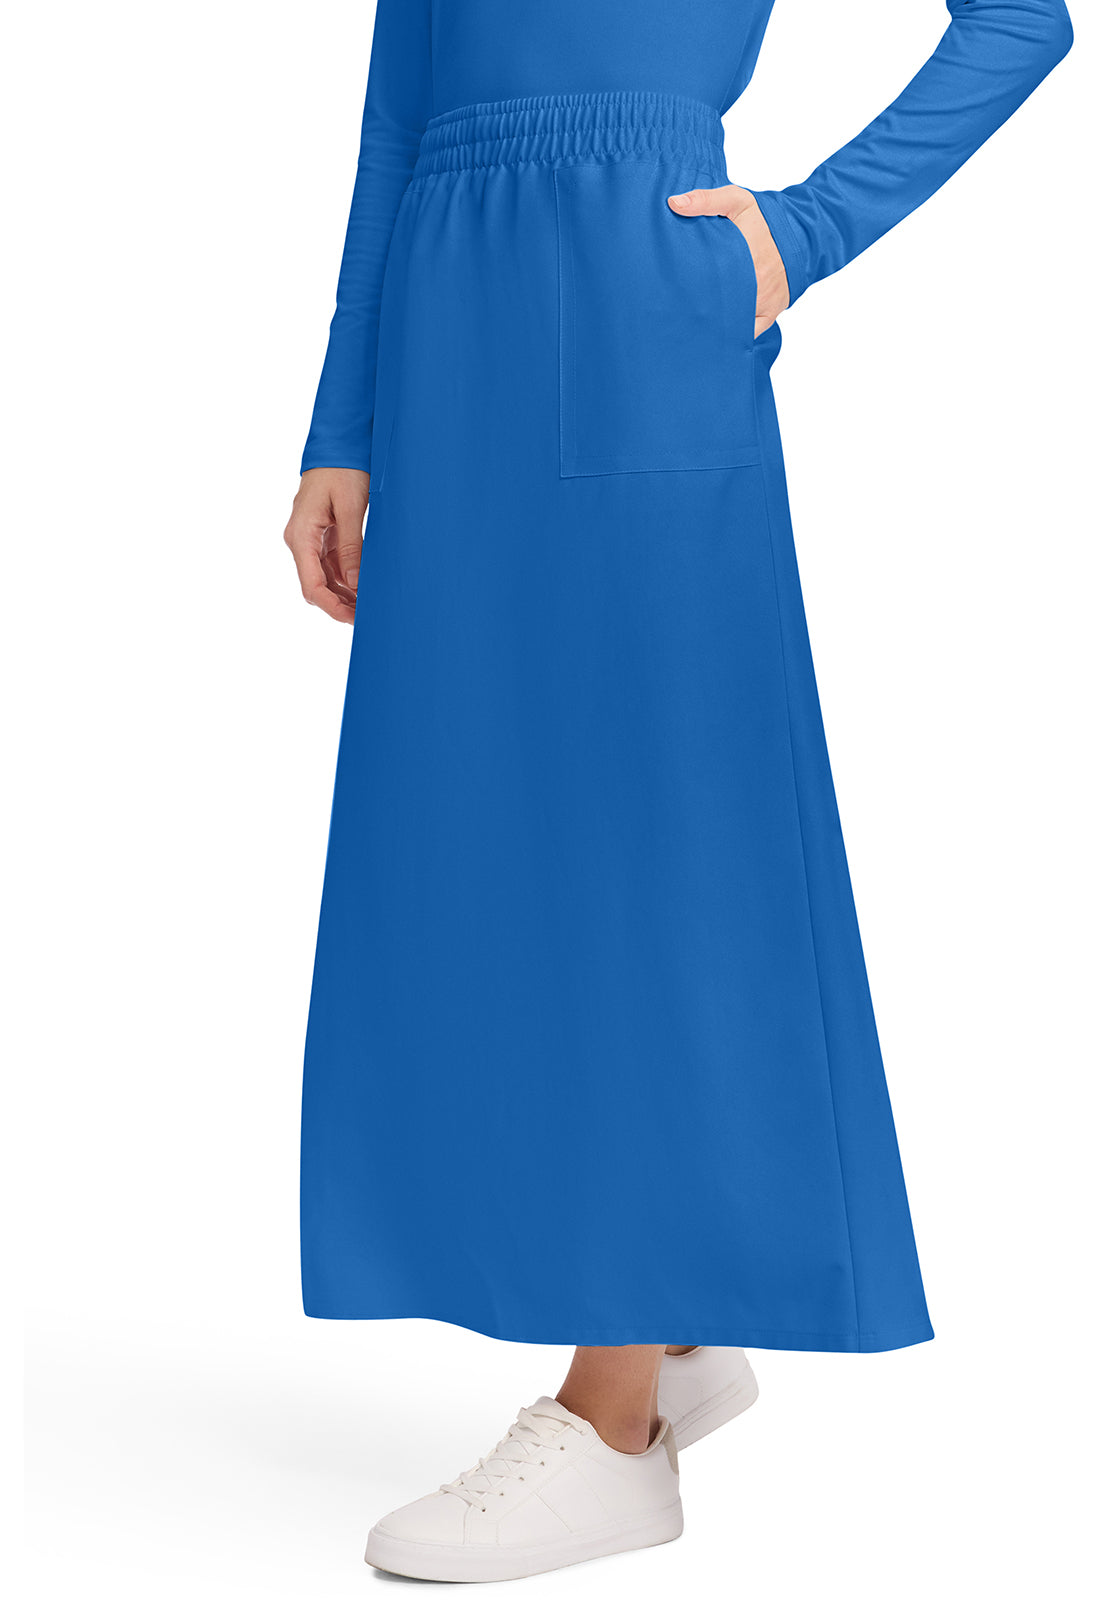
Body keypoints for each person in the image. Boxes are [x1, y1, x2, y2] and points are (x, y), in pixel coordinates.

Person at [282, 0, 1072, 1582]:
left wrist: (808, 230)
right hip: (452, 334)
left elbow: (1021, 21)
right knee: (484, 848)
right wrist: (344, 426)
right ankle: (677, 1320)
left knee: (635, 850)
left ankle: (614, 1427)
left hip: (633, 307)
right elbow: (395, 125)